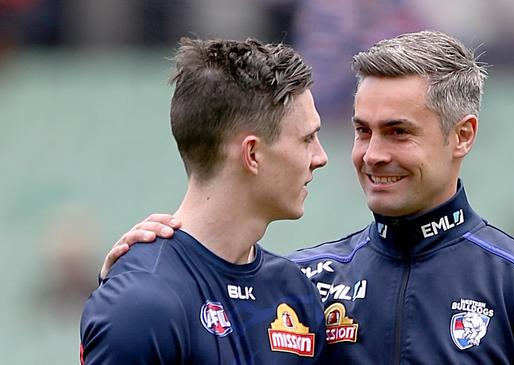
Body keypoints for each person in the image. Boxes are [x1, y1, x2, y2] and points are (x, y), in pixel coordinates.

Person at [100, 31, 514, 364]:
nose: (371, 154)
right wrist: (145, 266)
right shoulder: (299, 287)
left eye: (398, 132)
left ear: (463, 135)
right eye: (363, 131)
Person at [80, 37, 329, 364]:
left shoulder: (295, 292)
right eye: (307, 138)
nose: (320, 157)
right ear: (252, 154)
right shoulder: (142, 302)